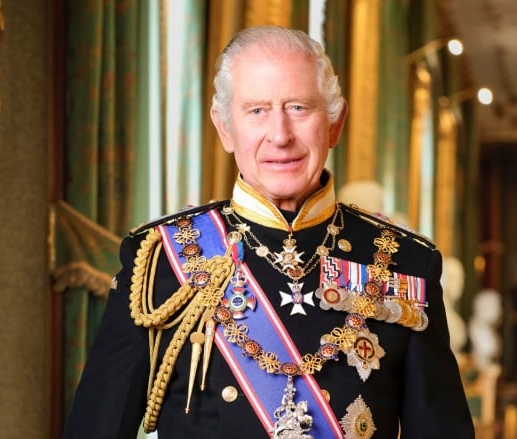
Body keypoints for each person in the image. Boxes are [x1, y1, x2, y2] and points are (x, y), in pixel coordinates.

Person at [64, 26, 474, 438]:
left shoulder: (406, 262)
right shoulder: (159, 259)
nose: (280, 135)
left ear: (335, 123)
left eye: (298, 107)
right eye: (256, 110)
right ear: (224, 128)